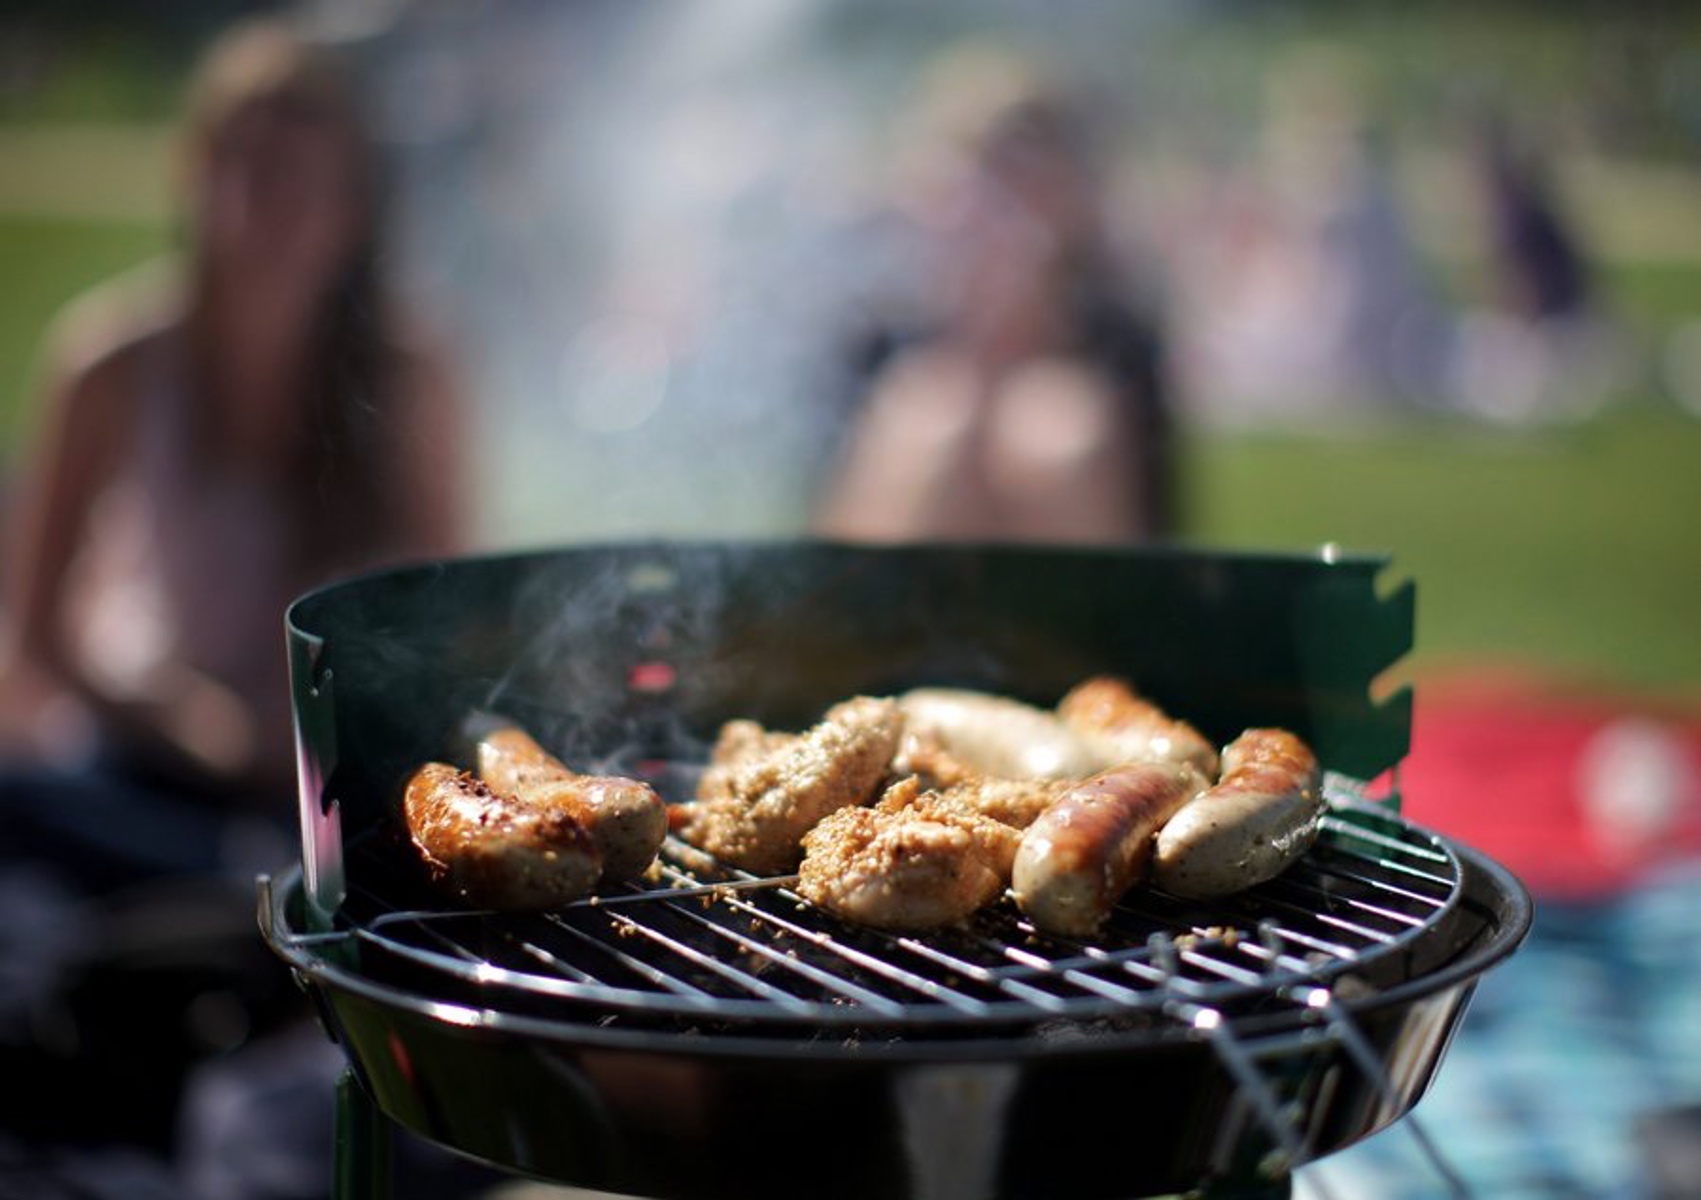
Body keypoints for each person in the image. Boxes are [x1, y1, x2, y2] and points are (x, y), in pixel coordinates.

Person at [0, 14, 464, 1167]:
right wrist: (186, 722)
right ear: (194, 174)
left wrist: (300, 741)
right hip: (140, 769)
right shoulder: (111, 362)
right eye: (245, 165)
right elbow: (41, 636)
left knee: (330, 899)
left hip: (316, 801)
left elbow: (451, 638)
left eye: (304, 176)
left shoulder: (411, 379)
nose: (270, 204)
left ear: (357, 207)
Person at [812, 46, 1176, 545]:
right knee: (927, 422)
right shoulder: (880, 344)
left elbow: (1155, 543)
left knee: (1056, 432)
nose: (993, 216)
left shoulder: (1117, 350)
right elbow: (828, 546)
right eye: (976, 181)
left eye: (1024, 183)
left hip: (1081, 610)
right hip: (900, 613)